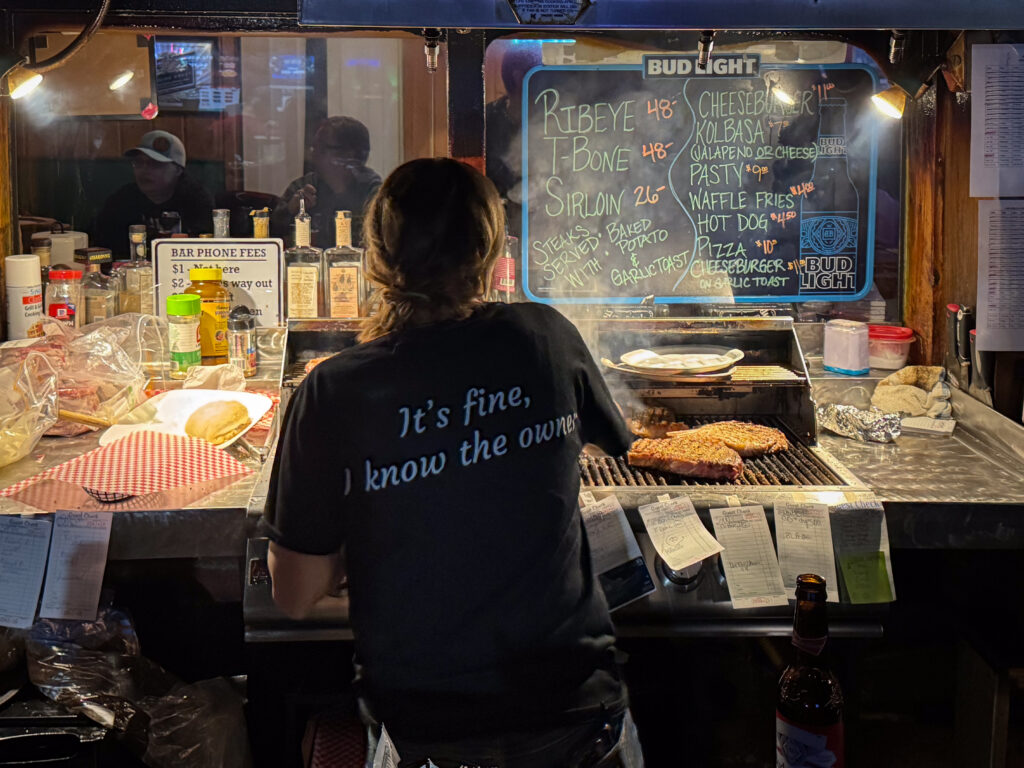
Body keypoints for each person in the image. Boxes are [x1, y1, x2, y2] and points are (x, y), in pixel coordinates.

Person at [263, 158, 644, 768]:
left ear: (377, 254)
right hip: (577, 712)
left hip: (428, 728)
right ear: (491, 246)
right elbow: (605, 445)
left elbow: (295, 594)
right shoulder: (546, 335)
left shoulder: (334, 391)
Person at [92, 130, 215, 257]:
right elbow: (105, 248)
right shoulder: (121, 201)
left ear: (178, 170)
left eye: (155, 164)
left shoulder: (196, 200)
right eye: (139, 163)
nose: (145, 170)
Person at [271, 116, 382, 248]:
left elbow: (381, 241)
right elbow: (271, 236)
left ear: (349, 154)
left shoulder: (372, 191)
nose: (313, 154)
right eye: (313, 147)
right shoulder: (303, 187)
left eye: (322, 148)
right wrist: (290, 210)